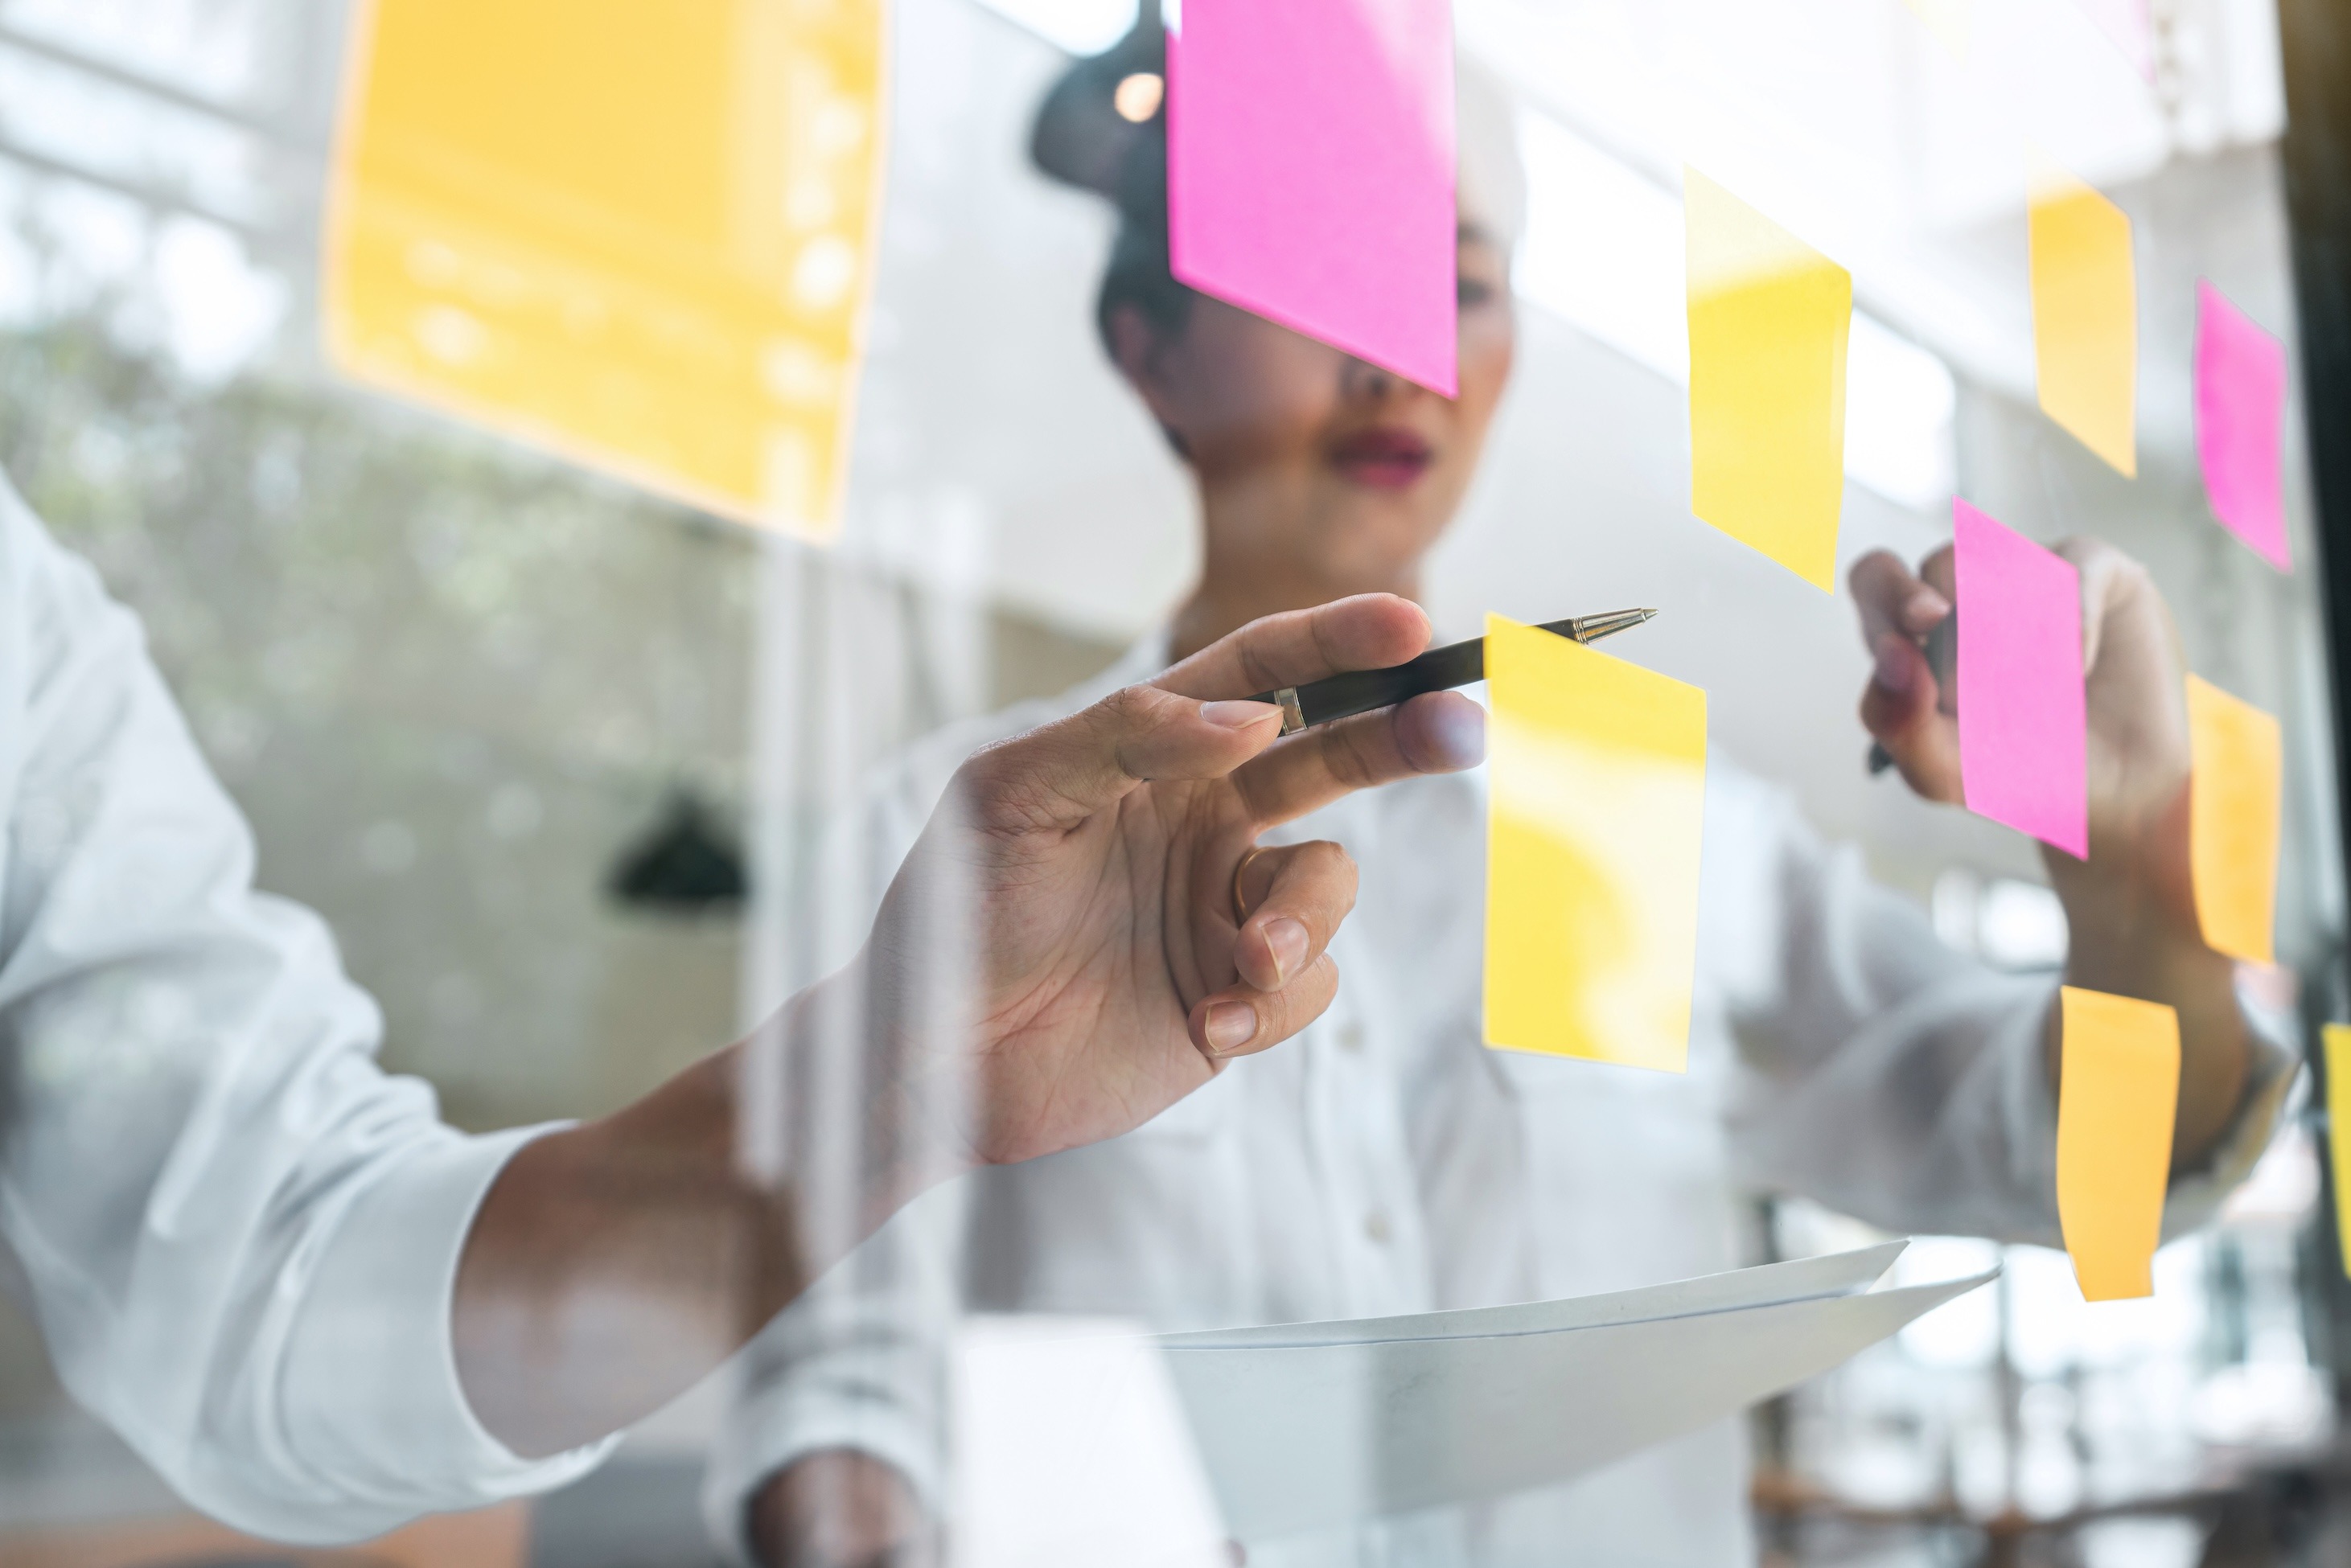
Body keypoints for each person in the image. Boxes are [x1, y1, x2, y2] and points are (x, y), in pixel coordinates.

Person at [717, 30, 2300, 1568]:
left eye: (1454, 284)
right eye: (1314, 270)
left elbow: (2086, 1152)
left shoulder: (1631, 816)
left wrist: (2137, 879)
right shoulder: (970, 836)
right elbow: (836, 1389)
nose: (1393, 347)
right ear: (1148, 347)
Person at [0, 462, 1485, 1541]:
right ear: (1147, 345)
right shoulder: (951, 803)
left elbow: (272, 1269)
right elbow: (832, 1421)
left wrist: (898, 1087)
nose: (1396, 366)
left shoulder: (30, 644)